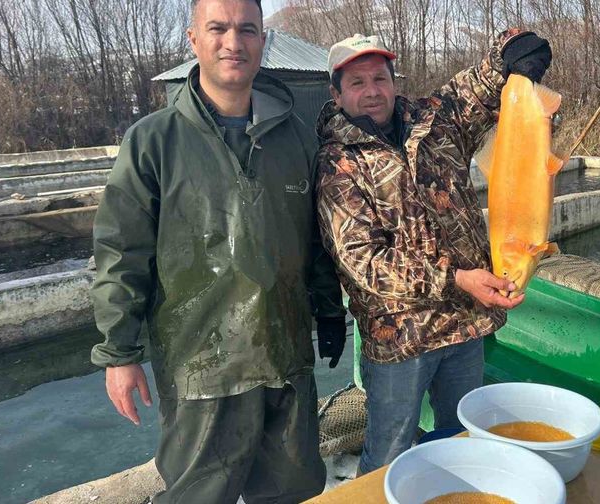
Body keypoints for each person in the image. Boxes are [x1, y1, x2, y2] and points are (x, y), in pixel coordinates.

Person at [89, 0, 345, 502]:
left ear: (262, 42)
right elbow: (121, 251)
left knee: (294, 491)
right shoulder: (152, 142)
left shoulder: (298, 139)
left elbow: (318, 242)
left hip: (285, 360)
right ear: (193, 40)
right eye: (218, 28)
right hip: (200, 371)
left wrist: (330, 313)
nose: (234, 42)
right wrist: (119, 352)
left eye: (248, 29)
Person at [314, 30, 552, 475]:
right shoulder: (337, 164)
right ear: (336, 92)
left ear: (393, 80)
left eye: (379, 79)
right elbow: (363, 262)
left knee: (463, 438)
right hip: (400, 342)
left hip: (464, 326)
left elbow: (477, 86)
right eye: (357, 83)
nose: (371, 92)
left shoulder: (434, 120)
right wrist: (458, 279)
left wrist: (513, 54)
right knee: (388, 451)